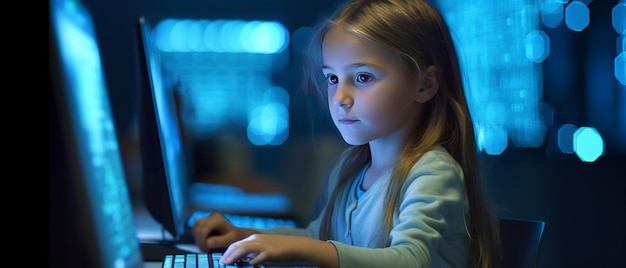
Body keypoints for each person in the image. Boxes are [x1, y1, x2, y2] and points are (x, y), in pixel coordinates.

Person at [191, 0, 502, 267]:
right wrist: (243, 236)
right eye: (332, 78)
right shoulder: (351, 169)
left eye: (363, 77)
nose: (340, 97)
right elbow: (318, 238)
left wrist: (304, 249)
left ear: (425, 85)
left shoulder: (433, 173)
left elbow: (409, 259)